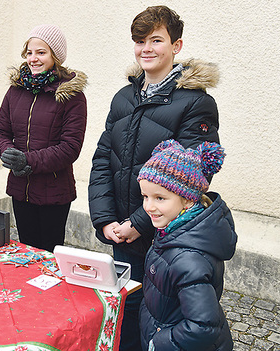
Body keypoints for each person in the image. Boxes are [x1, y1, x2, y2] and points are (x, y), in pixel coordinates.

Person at [88, 5, 221, 350]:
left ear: (176, 46)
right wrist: (105, 220)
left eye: (156, 40)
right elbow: (104, 159)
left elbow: (192, 179)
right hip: (121, 231)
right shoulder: (123, 98)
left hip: (163, 238)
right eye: (139, 40)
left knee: (156, 318)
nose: (146, 48)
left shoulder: (195, 103)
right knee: (122, 311)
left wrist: (137, 223)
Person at [0, 24, 87, 252]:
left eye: (41, 52)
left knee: (50, 258)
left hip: (54, 194)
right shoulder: (15, 91)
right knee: (26, 253)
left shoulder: (72, 96)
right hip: (20, 189)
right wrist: (8, 154)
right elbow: (0, 132)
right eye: (30, 52)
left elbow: (70, 148)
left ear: (56, 56)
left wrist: (28, 161)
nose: (33, 59)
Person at [137, 139, 235, 351]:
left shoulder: (188, 259)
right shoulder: (172, 230)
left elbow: (202, 325)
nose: (148, 206)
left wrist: (159, 342)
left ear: (188, 201)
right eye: (145, 196)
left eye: (160, 198)